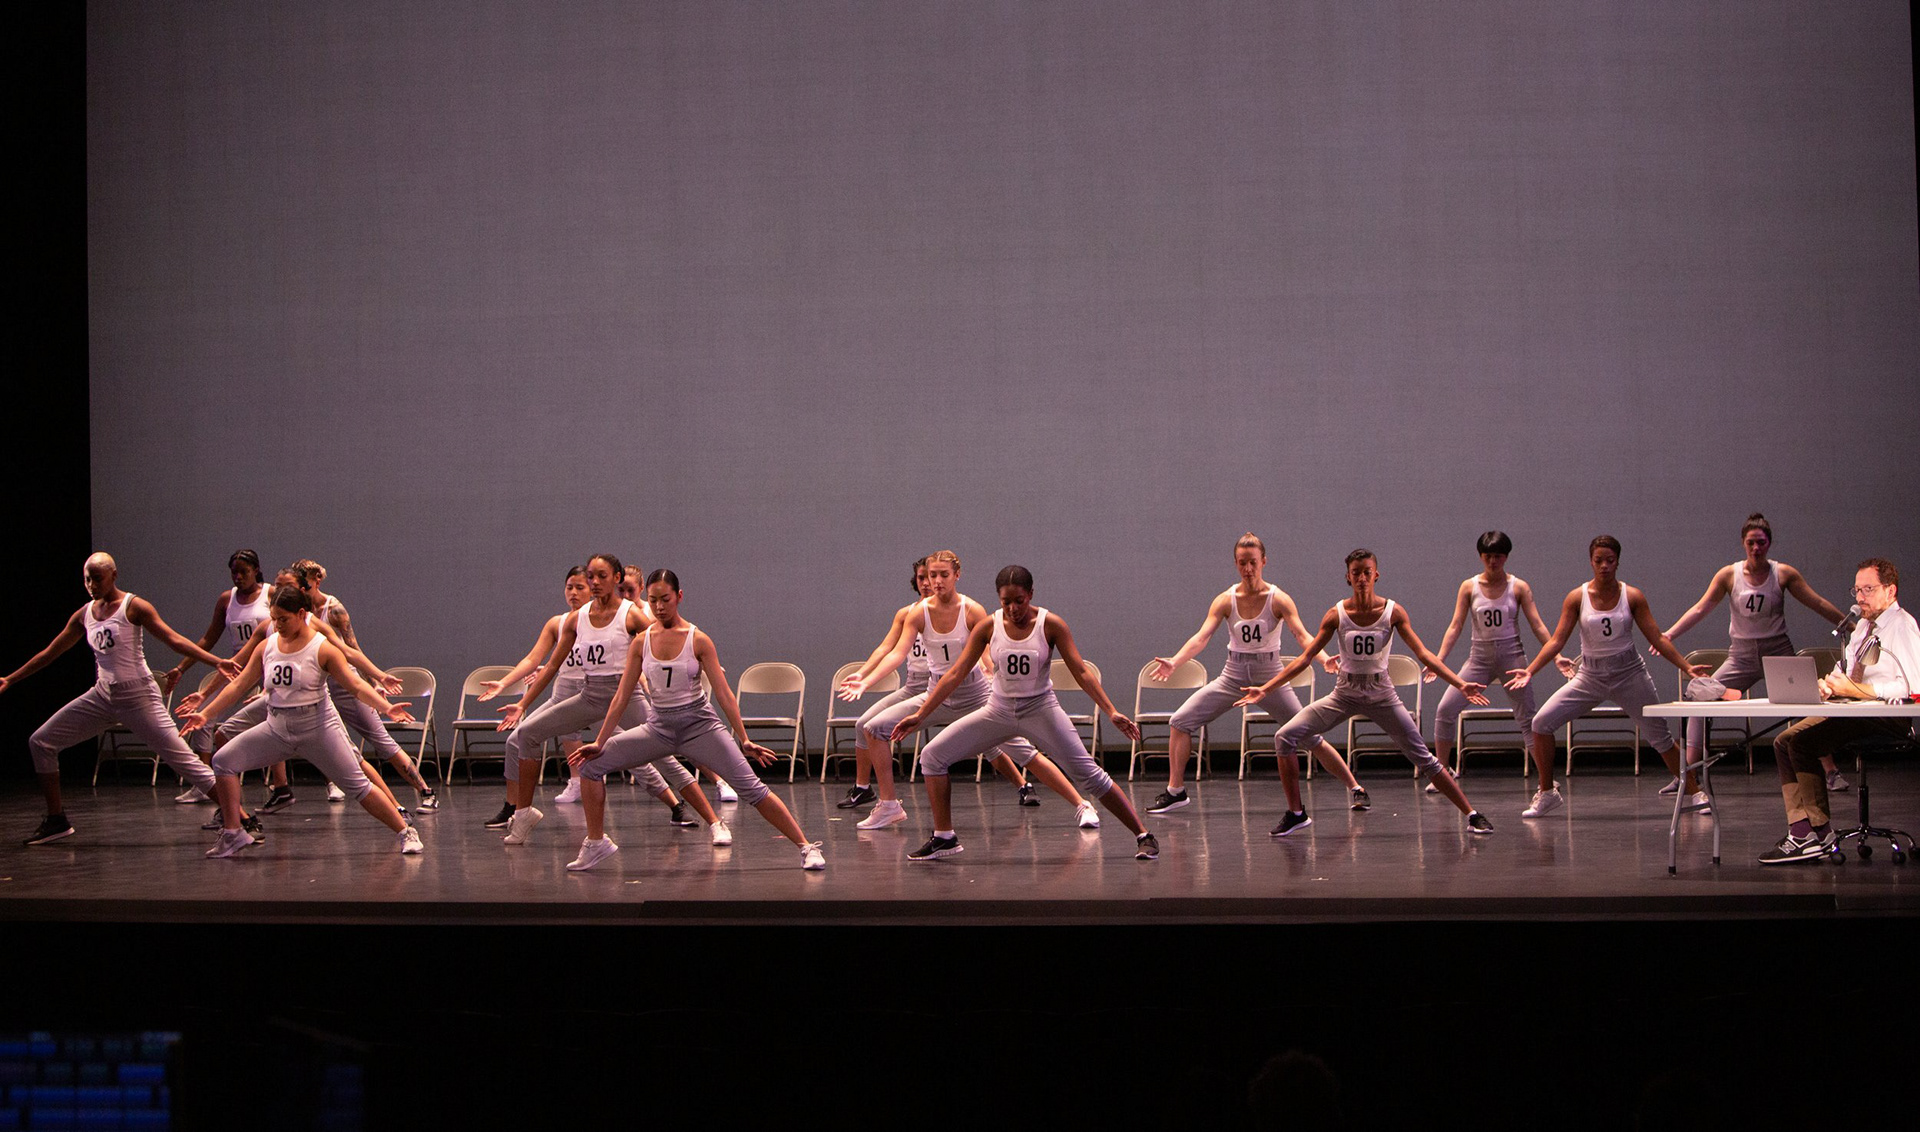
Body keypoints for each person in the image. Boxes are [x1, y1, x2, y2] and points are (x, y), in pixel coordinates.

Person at [889, 565, 1159, 861]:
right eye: (1006, 601)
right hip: (998, 710)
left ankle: (1143, 835)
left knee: (1089, 775)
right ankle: (944, 837)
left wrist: (1111, 711)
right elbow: (954, 674)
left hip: (1040, 709)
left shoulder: (1050, 624)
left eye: (1019, 600)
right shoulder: (988, 627)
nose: (1013, 608)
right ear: (999, 599)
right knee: (932, 756)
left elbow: (1081, 671)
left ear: (1030, 595)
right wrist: (922, 713)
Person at [565, 570, 825, 871]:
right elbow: (622, 696)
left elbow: (725, 695)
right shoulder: (641, 643)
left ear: (679, 597)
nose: (660, 606)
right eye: (653, 600)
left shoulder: (697, 639)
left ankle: (807, 847)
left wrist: (744, 739)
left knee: (752, 789)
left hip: (700, 727)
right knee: (591, 767)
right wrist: (599, 741)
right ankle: (596, 843)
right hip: (659, 728)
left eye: (665, 599)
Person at [838, 550, 1105, 831]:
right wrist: (866, 680)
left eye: (943, 575)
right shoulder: (917, 613)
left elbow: (990, 648)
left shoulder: (971, 609)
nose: (937, 581)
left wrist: (993, 672)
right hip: (937, 694)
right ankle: (889, 805)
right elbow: (895, 653)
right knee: (873, 727)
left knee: (1024, 753)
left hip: (976, 696)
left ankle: (1081, 804)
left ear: (957, 575)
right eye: (932, 575)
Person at [1236, 549, 1495, 836]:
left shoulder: (1392, 612)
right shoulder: (1336, 614)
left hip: (1382, 694)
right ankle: (1296, 813)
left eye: (1367, 572)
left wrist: (1460, 683)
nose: (1362, 578)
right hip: (1344, 693)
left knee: (1424, 758)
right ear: (1348, 577)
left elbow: (1423, 653)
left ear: (1376, 575)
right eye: (1356, 573)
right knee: (1284, 736)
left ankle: (1472, 814)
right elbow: (1305, 658)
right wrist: (1265, 689)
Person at [0, 553, 250, 846]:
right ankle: (57, 819)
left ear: (114, 576)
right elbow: (50, 653)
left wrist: (215, 661)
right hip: (103, 696)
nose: (91, 585)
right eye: (87, 579)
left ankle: (243, 818)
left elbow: (174, 639)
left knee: (183, 761)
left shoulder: (134, 607)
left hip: (139, 696)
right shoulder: (85, 615)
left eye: (97, 578)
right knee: (40, 742)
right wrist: (10, 679)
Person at [491, 555, 720, 846]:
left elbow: (663, 640)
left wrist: (697, 659)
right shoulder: (578, 618)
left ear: (616, 577)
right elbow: (550, 666)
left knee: (665, 759)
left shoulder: (631, 615)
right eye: (591, 576)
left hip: (626, 698)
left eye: (602, 576)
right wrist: (523, 705)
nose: (595, 582)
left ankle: (714, 821)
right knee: (526, 734)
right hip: (591, 696)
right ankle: (523, 814)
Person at [180, 585, 421, 857]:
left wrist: (387, 708)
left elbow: (355, 685)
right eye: (274, 618)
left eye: (284, 618)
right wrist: (206, 713)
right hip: (277, 727)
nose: (277, 624)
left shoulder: (322, 648)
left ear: (301, 614)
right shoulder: (267, 646)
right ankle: (234, 833)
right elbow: (237, 686)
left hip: (318, 728)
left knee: (358, 785)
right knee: (223, 761)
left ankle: (406, 831)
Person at [1143, 533, 1369, 815]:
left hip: (1270, 676)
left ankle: (1355, 788)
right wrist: (1175, 662)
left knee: (1308, 734)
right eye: (1242, 563)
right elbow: (1202, 637)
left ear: (1263, 562)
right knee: (1180, 721)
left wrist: (1323, 659)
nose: (1248, 569)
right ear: (1235, 564)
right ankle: (1176, 791)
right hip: (1233, 675)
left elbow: (1301, 634)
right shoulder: (1226, 599)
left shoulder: (1278, 598)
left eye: (1252, 563)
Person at [1506, 536, 1714, 819]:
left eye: (1610, 560)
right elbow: (1556, 641)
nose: (1604, 566)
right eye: (1598, 560)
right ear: (1590, 562)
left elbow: (1656, 637)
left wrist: (1686, 668)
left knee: (1660, 737)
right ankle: (1547, 793)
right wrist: (1531, 670)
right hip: (1590, 676)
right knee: (1541, 723)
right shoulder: (1577, 597)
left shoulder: (1633, 596)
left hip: (1629, 674)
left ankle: (1692, 792)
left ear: (1618, 561)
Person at [1658, 513, 1850, 793]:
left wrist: (1851, 625)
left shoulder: (1783, 573)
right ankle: (1688, 775)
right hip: (1741, 657)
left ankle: (1830, 771)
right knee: (1700, 700)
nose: (1756, 548)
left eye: (1761, 542)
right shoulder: (1728, 575)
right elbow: (1701, 608)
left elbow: (1816, 602)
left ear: (1769, 544)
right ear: (1743, 544)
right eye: (1751, 542)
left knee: (1808, 703)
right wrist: (1669, 634)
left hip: (1778, 653)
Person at [1758, 557, 1920, 864]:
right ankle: (1804, 831)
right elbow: (1846, 670)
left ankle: (1818, 833)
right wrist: (1830, 685)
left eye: (1868, 589)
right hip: (1853, 711)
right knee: (1783, 741)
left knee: (1803, 743)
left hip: (1885, 718)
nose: (1860, 597)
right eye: (1856, 590)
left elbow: (1914, 688)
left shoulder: (1902, 626)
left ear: (1891, 591)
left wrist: (1857, 691)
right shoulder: (1861, 629)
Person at [285, 561, 438, 810]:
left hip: (343, 681)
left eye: (298, 585)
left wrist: (375, 681)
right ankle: (333, 784)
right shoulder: (290, 613)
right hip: (316, 684)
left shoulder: (332, 610)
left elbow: (352, 649)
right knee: (324, 739)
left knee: (380, 739)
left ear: (312, 582)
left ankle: (425, 790)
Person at [1423, 531, 1554, 790]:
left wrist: (1556, 654)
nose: (1492, 561)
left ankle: (1545, 780)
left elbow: (1537, 624)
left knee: (1528, 719)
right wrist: (1438, 661)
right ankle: (1442, 774)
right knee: (1445, 710)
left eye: (1498, 556)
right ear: (1481, 557)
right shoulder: (1469, 586)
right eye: (1488, 556)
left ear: (1505, 557)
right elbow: (1456, 625)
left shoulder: (1518, 586)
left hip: (1512, 658)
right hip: (1479, 658)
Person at [159, 548, 271, 801]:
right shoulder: (226, 600)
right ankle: (204, 783)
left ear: (256, 570)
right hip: (237, 667)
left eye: (244, 572)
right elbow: (208, 638)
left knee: (282, 720)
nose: (238, 577)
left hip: (268, 663)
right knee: (205, 718)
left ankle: (303, 783)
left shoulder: (270, 594)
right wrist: (181, 667)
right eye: (234, 573)